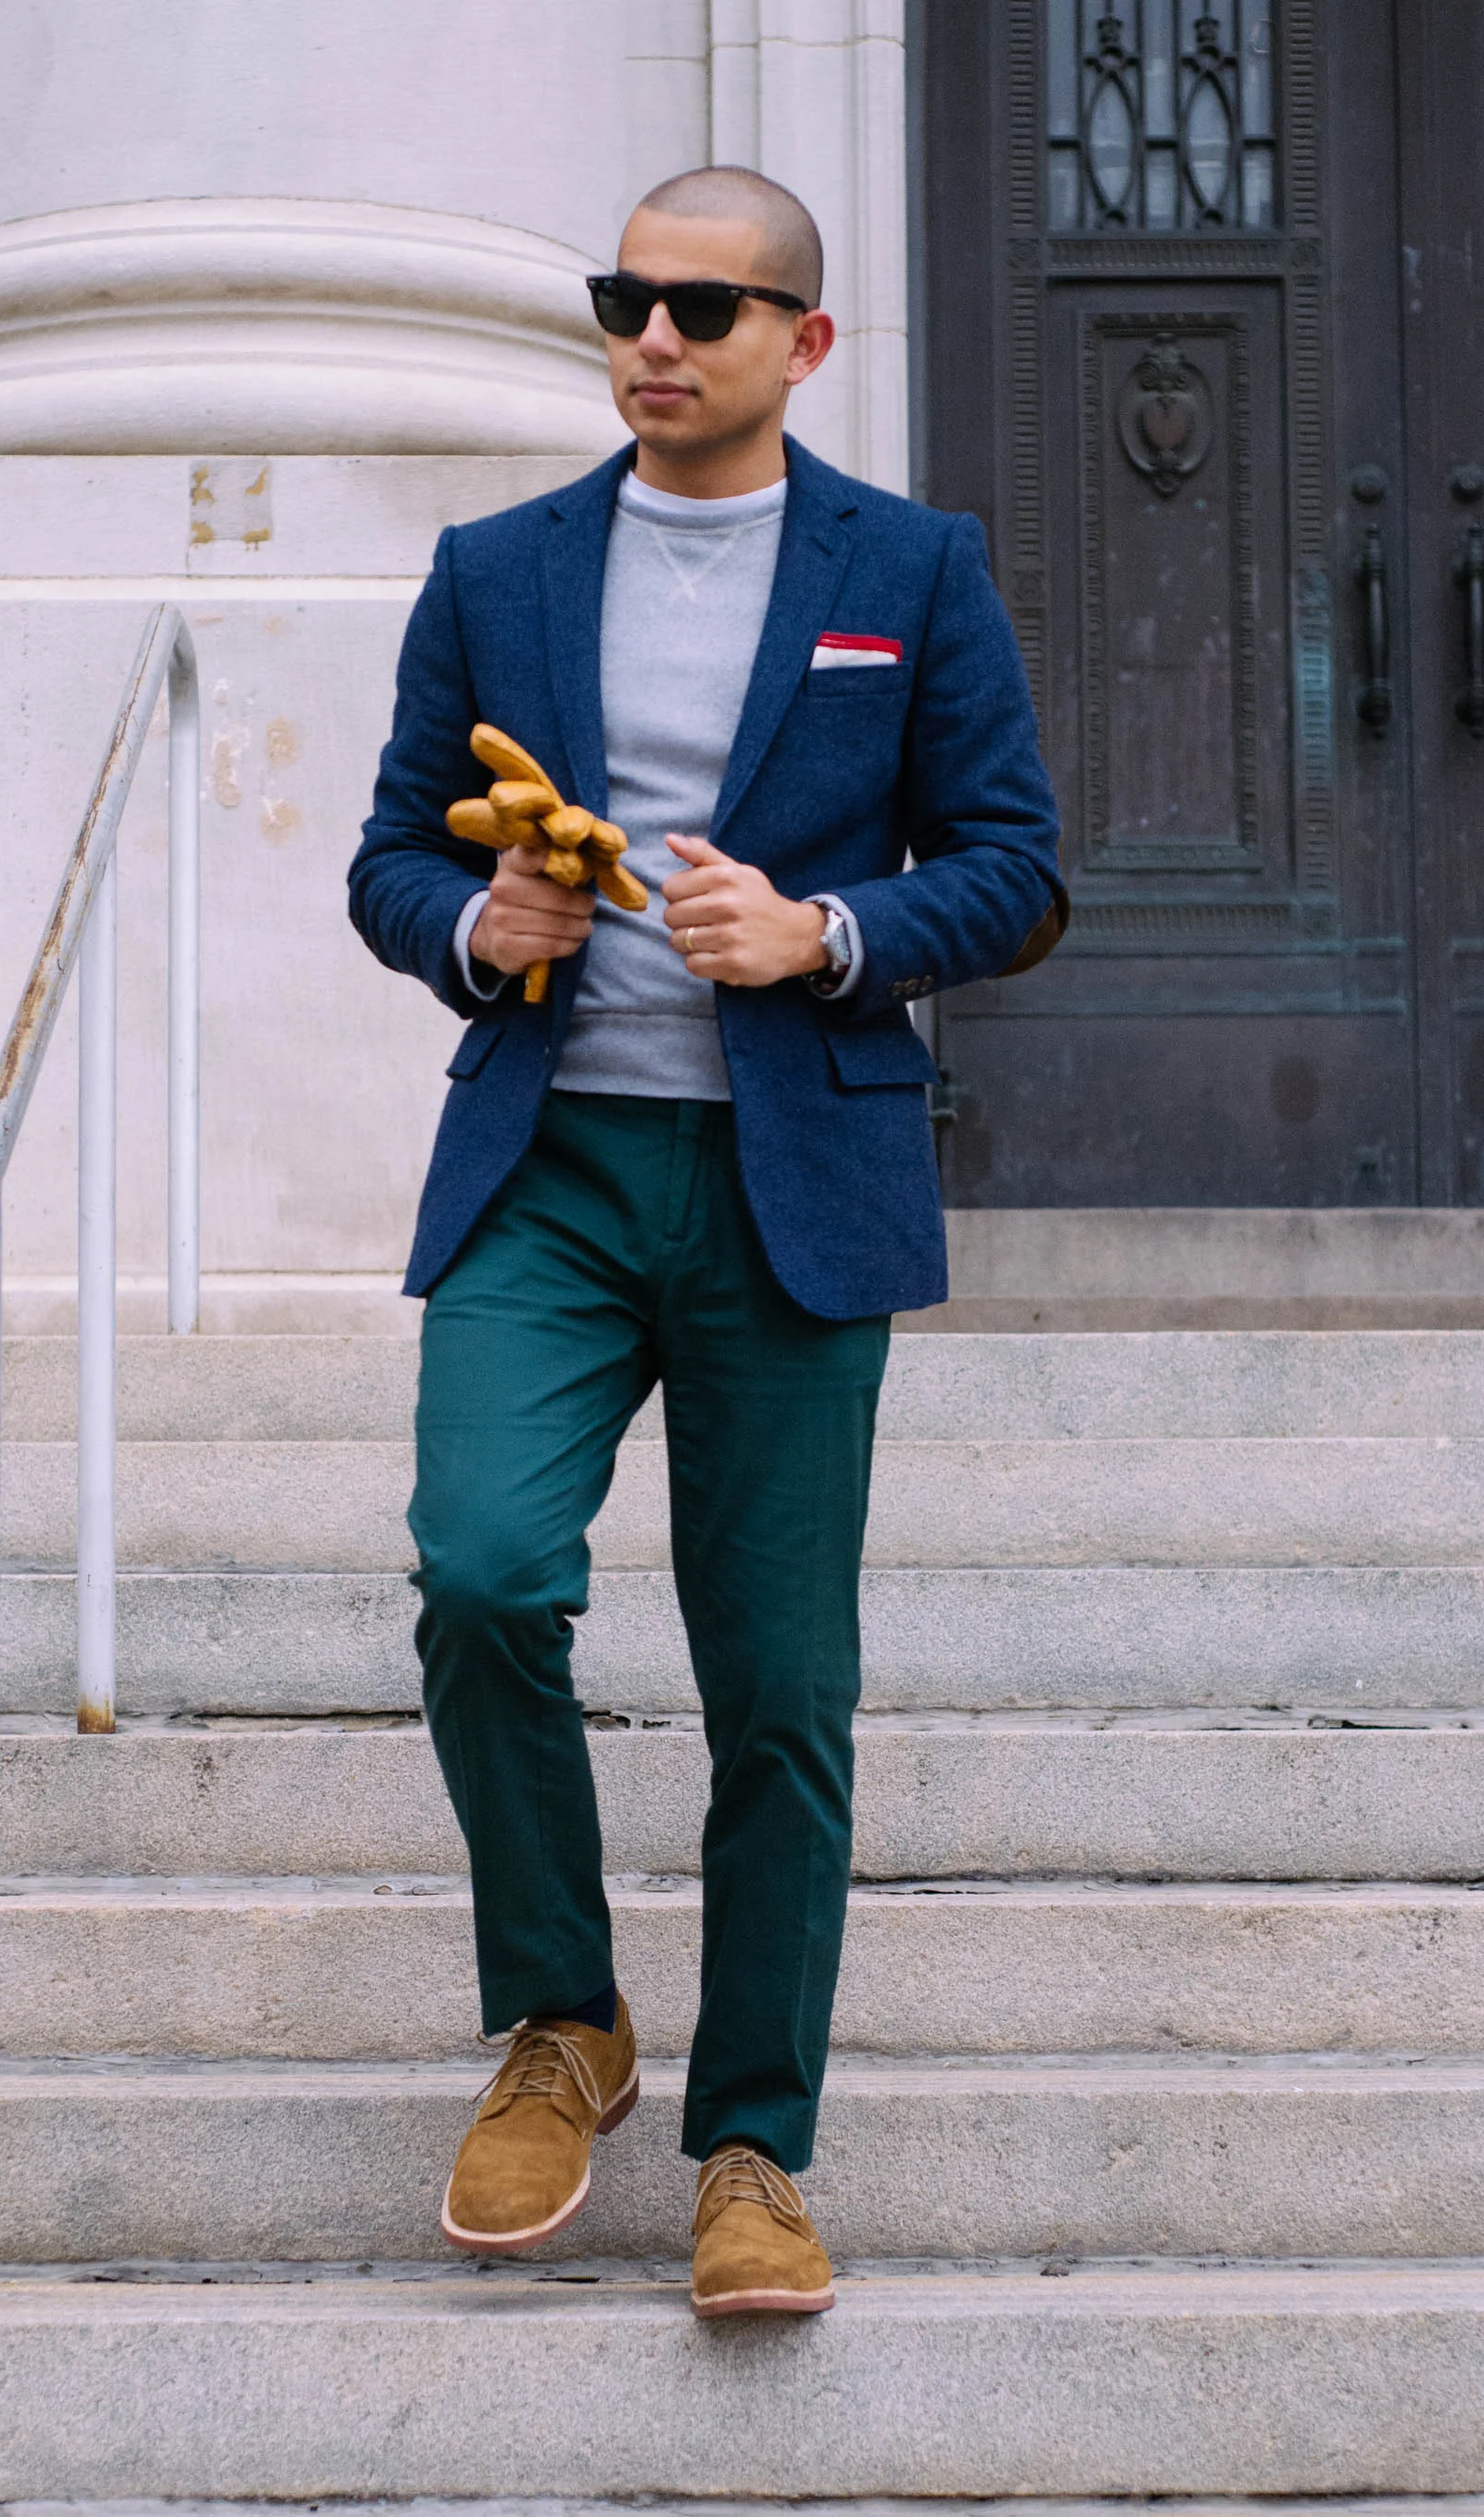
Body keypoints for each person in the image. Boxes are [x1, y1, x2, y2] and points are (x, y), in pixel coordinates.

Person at [348, 164, 1062, 2319]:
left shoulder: (909, 570)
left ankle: (753, 2140)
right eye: (625, 299)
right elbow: (392, 851)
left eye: (704, 307)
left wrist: (831, 929)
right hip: (547, 1166)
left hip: (789, 1184)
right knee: (480, 1569)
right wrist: (480, 924)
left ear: (801, 344)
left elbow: (1017, 868)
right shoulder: (499, 567)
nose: (654, 337)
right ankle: (563, 2021)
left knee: (780, 1692)